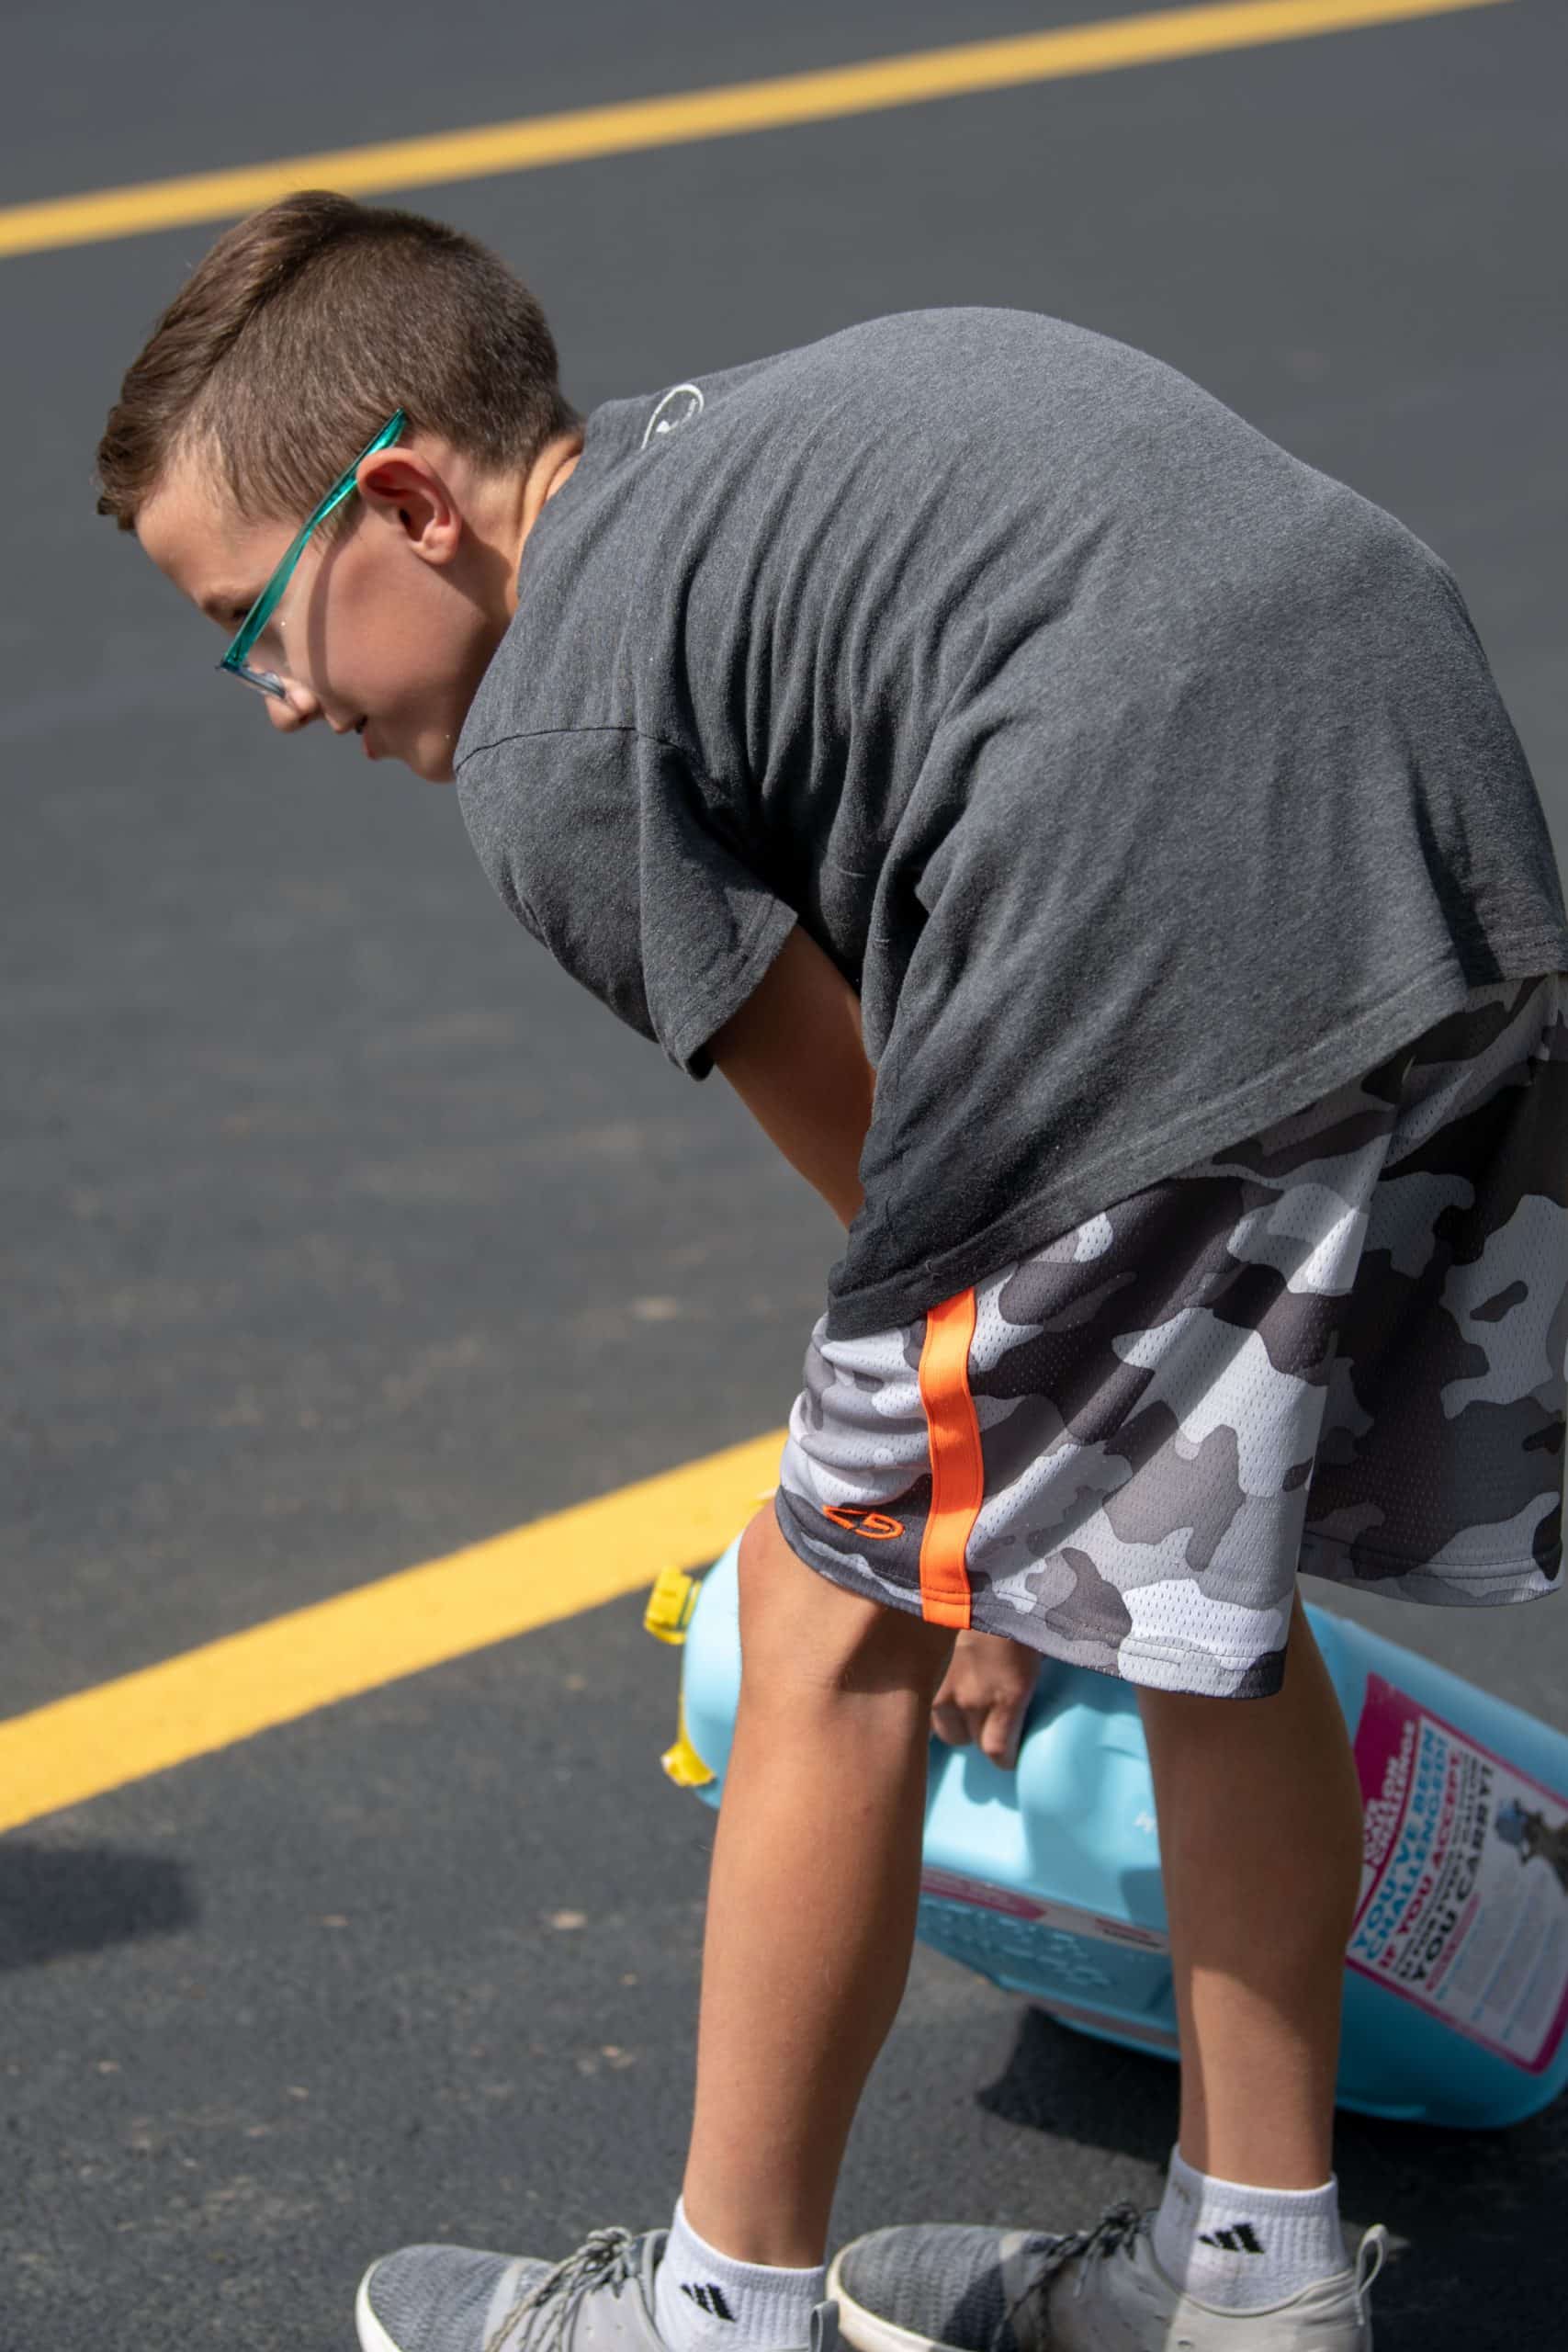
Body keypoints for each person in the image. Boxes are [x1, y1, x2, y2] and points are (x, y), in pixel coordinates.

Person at [98, 190, 1568, 2352]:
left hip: (1148, 883)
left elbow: (885, 1150)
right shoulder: (712, 472)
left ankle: (721, 2307)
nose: (280, 700)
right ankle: (1250, 2275)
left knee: (821, 1616)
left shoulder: (549, 741)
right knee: (1193, 1597)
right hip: (1423, 814)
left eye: (256, 624)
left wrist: (959, 1549)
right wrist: (1035, 1514)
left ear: (405, 504)